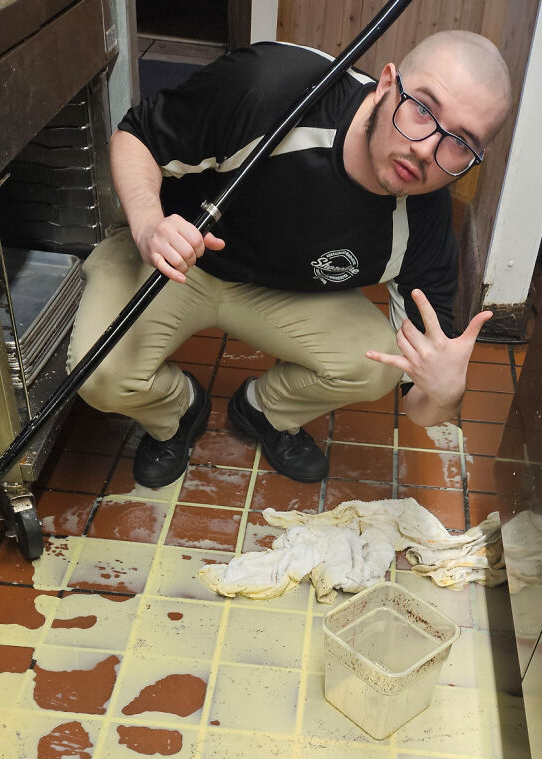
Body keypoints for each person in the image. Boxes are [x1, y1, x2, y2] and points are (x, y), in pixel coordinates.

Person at [67, 30, 512, 488]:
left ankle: (264, 410)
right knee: (98, 373)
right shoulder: (275, 88)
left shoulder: (425, 221)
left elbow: (417, 396)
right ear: (386, 83)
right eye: (422, 109)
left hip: (285, 294)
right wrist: (147, 224)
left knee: (381, 363)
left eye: (459, 141)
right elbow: (136, 135)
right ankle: (176, 412)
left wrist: (444, 394)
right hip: (181, 260)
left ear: (476, 157)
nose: (425, 148)